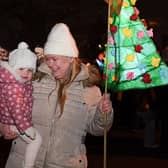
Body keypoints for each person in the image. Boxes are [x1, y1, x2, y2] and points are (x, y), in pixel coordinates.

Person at [1, 23, 113, 168]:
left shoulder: (90, 90)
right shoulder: (33, 81)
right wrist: (3, 126)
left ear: (71, 58)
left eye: (55, 59)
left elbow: (98, 129)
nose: (50, 64)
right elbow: (5, 104)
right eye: (48, 59)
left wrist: (104, 113)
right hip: (24, 162)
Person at [0, 41, 42, 168]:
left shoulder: (20, 84)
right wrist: (26, 127)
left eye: (30, 70)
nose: (26, 73)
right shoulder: (15, 87)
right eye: (21, 69)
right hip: (14, 123)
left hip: (12, 121)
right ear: (12, 69)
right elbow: (16, 111)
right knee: (36, 140)